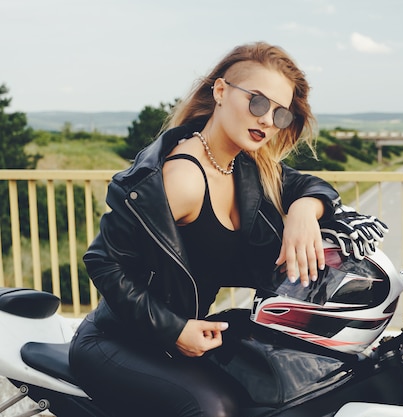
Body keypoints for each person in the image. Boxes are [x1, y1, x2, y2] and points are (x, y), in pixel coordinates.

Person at [68, 42, 386, 417]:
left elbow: (306, 185)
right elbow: (104, 261)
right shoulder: (183, 178)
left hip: (189, 332)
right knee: (214, 409)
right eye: (258, 102)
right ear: (221, 91)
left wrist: (303, 211)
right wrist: (173, 329)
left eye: (280, 113)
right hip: (119, 340)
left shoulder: (245, 167)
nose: (268, 120)